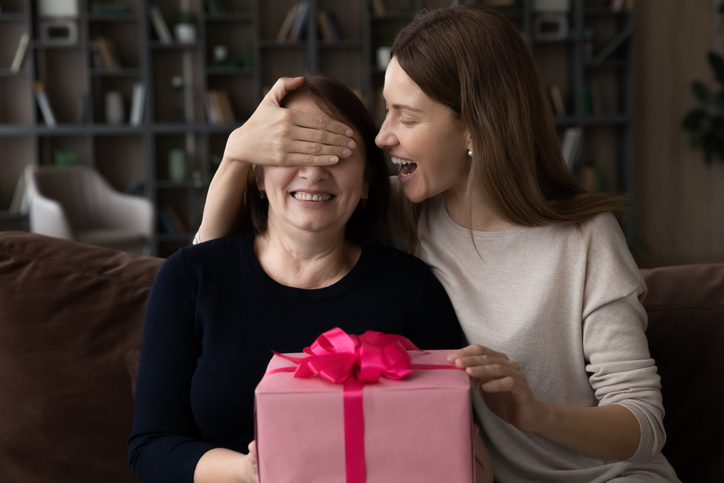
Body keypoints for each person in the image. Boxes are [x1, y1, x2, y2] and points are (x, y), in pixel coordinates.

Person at [194, 5, 681, 482]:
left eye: (406, 117)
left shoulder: (585, 236)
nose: (382, 136)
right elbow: (210, 274)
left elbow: (642, 423)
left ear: (473, 125)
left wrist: (535, 414)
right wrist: (236, 155)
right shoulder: (395, 211)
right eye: (387, 111)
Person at [128, 76, 469, 483]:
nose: (314, 170)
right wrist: (247, 471)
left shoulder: (413, 289)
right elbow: (151, 448)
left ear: (366, 184)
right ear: (256, 176)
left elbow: (450, 431)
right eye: (293, 148)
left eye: (337, 154)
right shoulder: (189, 277)